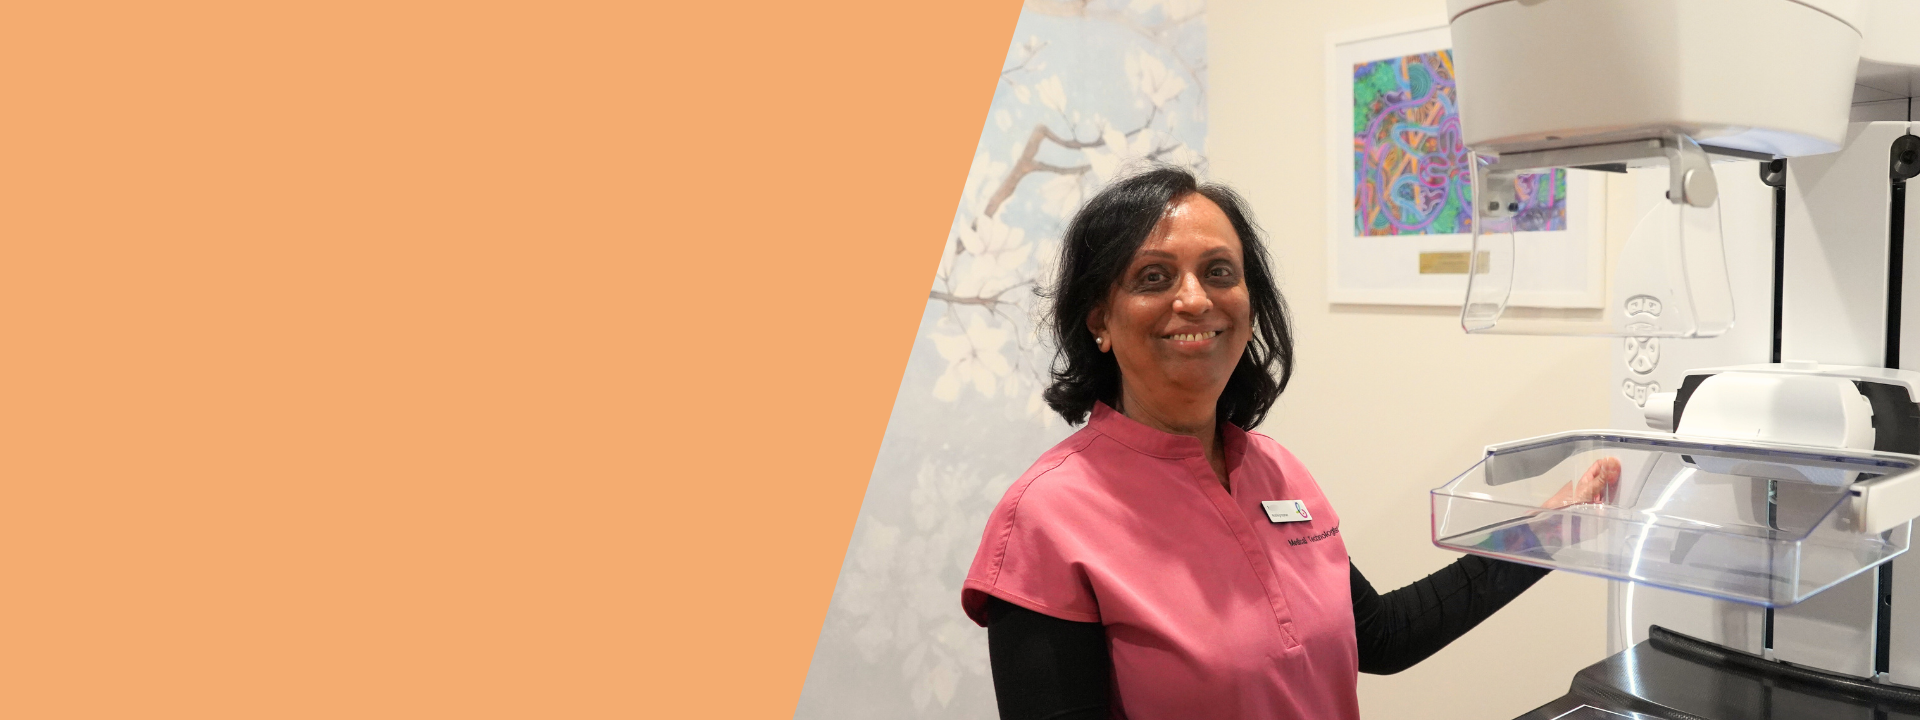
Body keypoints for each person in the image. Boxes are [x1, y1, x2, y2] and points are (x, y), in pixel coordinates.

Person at [959, 167, 1618, 720]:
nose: (1194, 300)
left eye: (1219, 272)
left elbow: (1380, 636)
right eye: (1154, 277)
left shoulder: (1275, 471)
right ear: (1100, 319)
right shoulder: (1046, 520)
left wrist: (1544, 535)